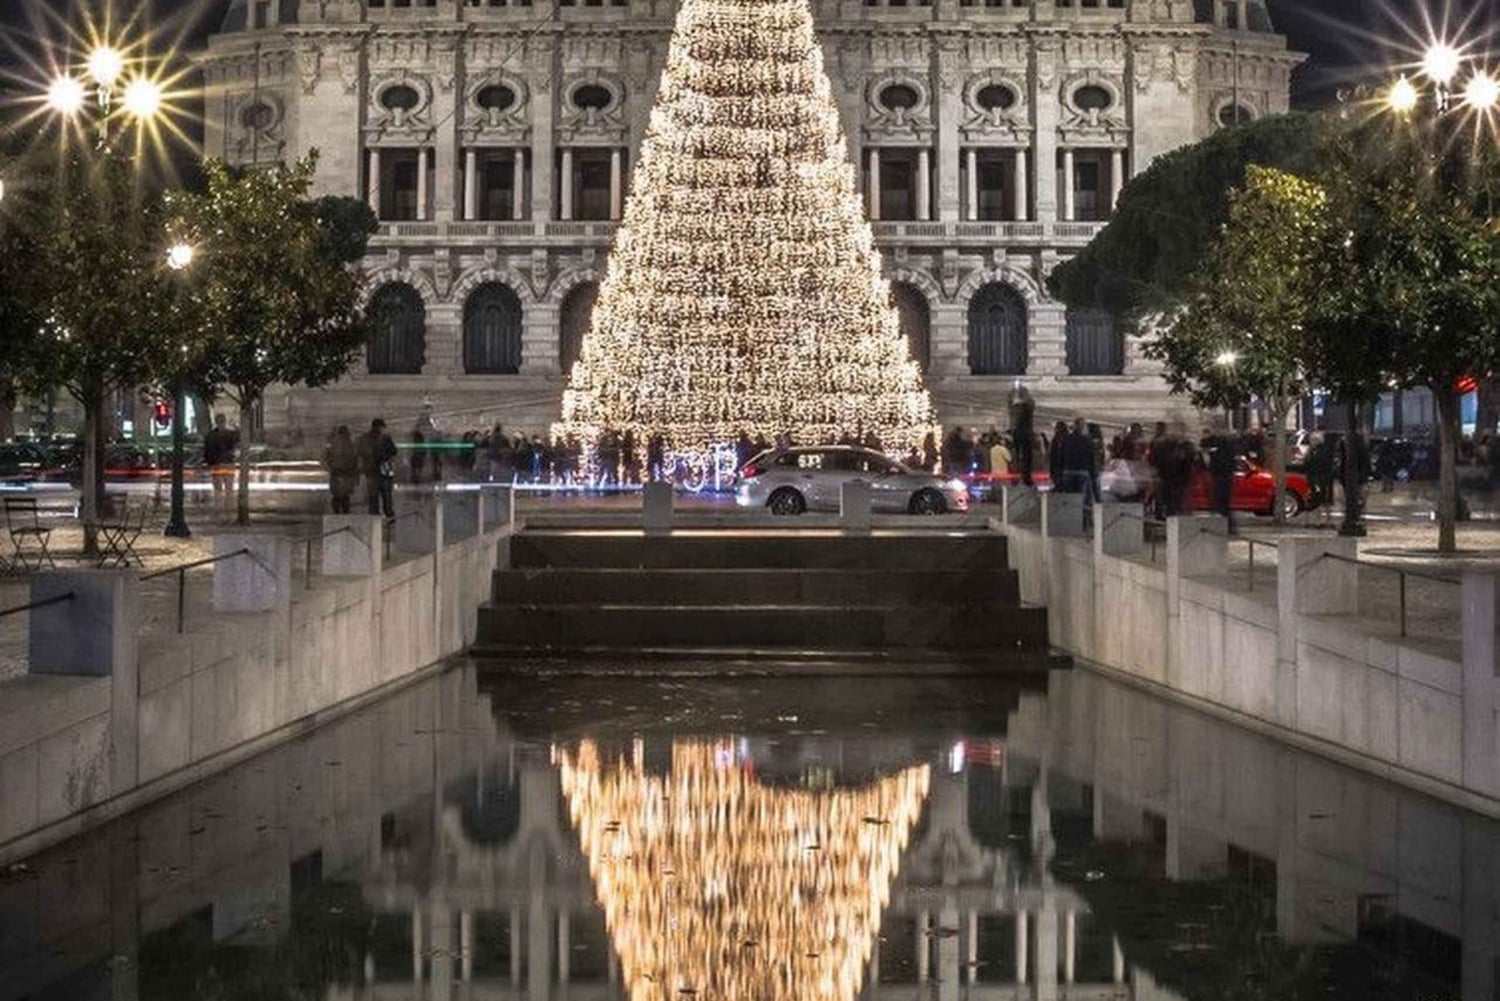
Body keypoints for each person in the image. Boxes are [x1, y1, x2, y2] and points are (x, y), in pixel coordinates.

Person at [359, 418, 397, 518]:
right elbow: (394, 451)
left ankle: (374, 519)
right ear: (380, 427)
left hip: (371, 472)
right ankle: (389, 517)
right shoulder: (385, 438)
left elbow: (360, 452)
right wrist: (386, 457)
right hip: (384, 472)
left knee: (373, 498)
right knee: (387, 497)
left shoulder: (365, 438)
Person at [203, 413, 238, 509]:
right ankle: (229, 507)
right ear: (224, 421)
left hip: (216, 465)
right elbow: (238, 439)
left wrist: (209, 463)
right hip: (229, 463)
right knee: (229, 489)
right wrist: (235, 426)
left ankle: (218, 507)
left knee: (218, 489)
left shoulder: (211, 435)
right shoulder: (230, 434)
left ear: (216, 422)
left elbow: (207, 451)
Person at [323, 425, 360, 514]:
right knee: (345, 495)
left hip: (336, 472)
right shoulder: (351, 445)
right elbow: (355, 459)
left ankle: (337, 511)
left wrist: (329, 467)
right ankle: (345, 512)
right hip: (347, 472)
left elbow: (325, 457)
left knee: (337, 495)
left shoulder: (333, 444)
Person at [1008, 383, 1036, 485]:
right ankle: (1025, 477)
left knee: (1018, 456)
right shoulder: (1027, 405)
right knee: (1026, 457)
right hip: (1025, 433)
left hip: (1018, 433)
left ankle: (1018, 478)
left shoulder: (1014, 406)